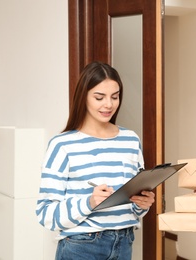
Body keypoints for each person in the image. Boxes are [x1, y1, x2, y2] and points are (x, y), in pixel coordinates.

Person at [36, 61, 155, 260]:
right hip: (81, 247)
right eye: (99, 97)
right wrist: (89, 202)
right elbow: (46, 214)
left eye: (115, 97)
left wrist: (142, 204)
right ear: (84, 97)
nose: (108, 104)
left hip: (124, 242)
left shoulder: (131, 140)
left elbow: (132, 210)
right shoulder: (62, 144)